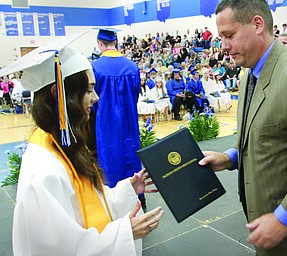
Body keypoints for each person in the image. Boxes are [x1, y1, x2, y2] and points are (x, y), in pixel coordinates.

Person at [0, 39, 164, 255]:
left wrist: (127, 189)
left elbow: (86, 206)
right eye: (88, 90)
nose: (96, 98)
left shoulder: (63, 145)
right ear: (58, 95)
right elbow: (60, 249)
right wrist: (125, 232)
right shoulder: (44, 173)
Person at [199, 0, 287, 255]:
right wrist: (230, 157)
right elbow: (262, 132)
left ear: (257, 24)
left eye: (229, 35)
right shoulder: (249, 76)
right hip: (265, 228)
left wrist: (283, 218)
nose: (224, 47)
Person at [91, 29, 141, 187]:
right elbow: (135, 95)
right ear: (116, 42)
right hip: (129, 120)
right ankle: (136, 193)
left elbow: (93, 100)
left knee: (110, 154)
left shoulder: (95, 67)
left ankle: (114, 195)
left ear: (100, 43)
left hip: (106, 121)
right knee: (131, 152)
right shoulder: (132, 67)